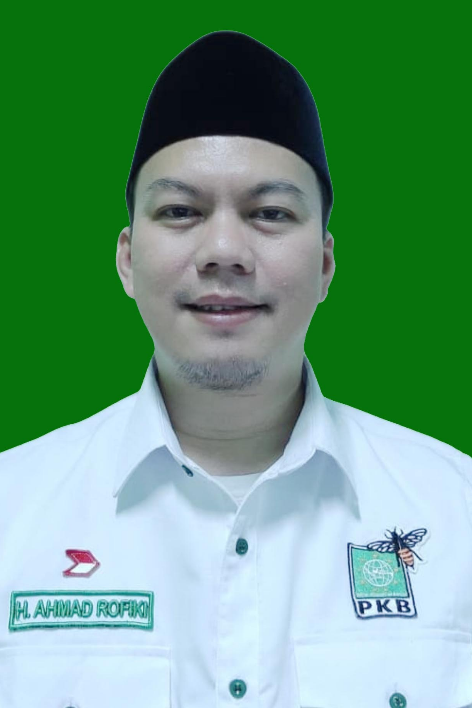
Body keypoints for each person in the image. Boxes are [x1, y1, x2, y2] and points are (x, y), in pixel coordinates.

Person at [1, 30, 471, 708]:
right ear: (127, 260)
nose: (224, 249)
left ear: (326, 264)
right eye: (181, 211)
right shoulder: (12, 513)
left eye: (270, 213)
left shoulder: (456, 516)